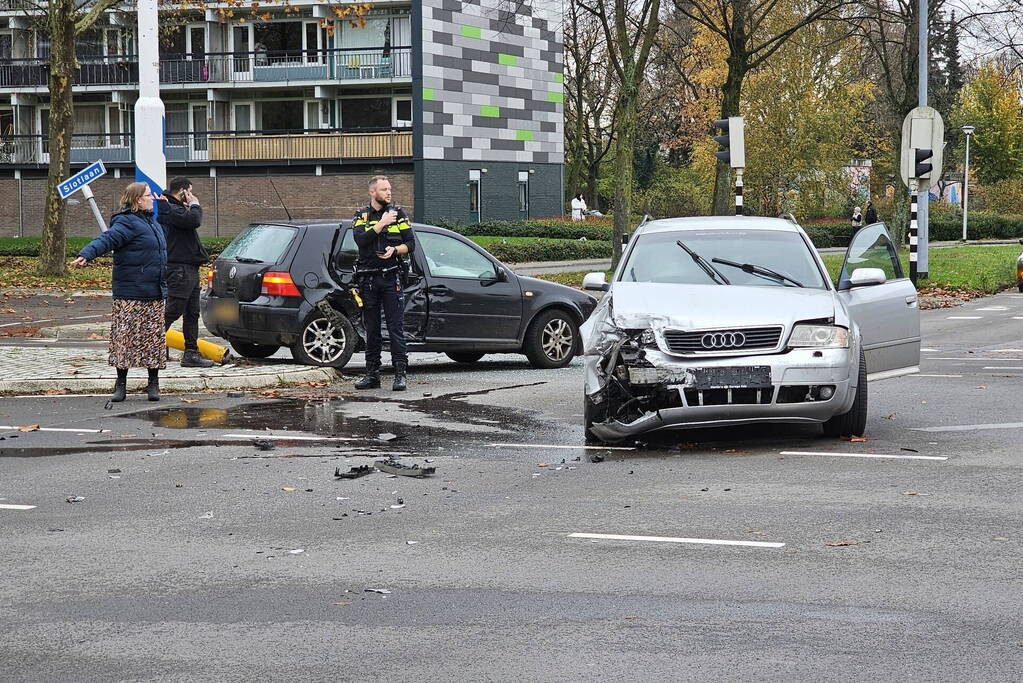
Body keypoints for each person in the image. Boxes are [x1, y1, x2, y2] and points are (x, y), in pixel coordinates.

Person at [71, 182, 167, 402]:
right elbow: (107, 239)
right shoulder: (126, 222)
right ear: (137, 200)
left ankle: (153, 384)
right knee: (125, 339)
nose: (152, 198)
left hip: (154, 291)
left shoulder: (152, 222)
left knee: (153, 340)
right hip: (130, 293)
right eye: (148, 195)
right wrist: (87, 254)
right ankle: (121, 385)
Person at [351, 175, 415, 391]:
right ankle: (372, 375)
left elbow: (411, 244)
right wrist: (381, 224)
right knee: (372, 329)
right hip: (368, 278)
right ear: (372, 192)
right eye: (384, 189)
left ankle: (400, 375)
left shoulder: (398, 214)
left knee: (396, 328)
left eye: (389, 189)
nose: (389, 192)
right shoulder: (361, 215)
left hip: (390, 277)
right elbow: (360, 240)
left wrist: (396, 250)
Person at [157, 177, 214, 368]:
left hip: (189, 267)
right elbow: (194, 220)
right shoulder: (171, 209)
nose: (190, 195)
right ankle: (151, 346)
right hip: (180, 268)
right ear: (182, 191)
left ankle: (191, 353)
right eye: (189, 191)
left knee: (192, 312)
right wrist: (194, 203)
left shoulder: (173, 208)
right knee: (173, 311)